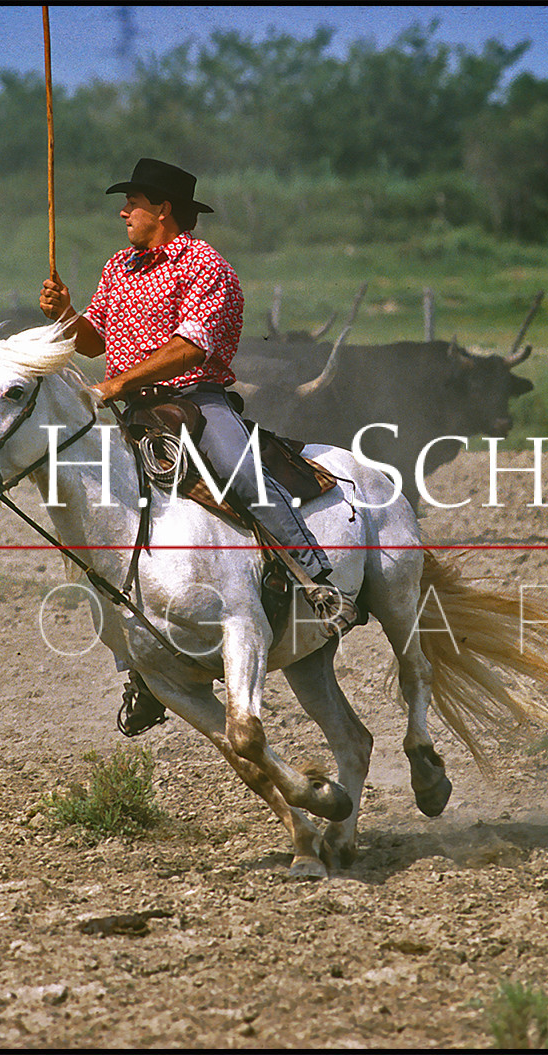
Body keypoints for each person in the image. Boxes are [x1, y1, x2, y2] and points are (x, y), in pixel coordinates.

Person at [40, 157, 358, 737]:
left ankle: (320, 583)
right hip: (133, 414)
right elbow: (93, 340)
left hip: (196, 403)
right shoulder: (119, 267)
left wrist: (116, 384)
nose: (123, 212)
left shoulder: (206, 267)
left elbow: (191, 347)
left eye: (133, 203)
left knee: (243, 475)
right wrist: (66, 314)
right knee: (102, 528)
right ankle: (142, 665)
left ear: (162, 210)